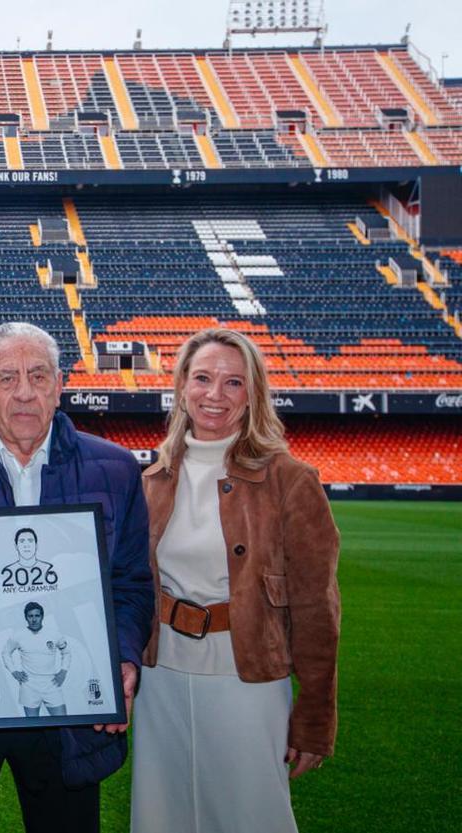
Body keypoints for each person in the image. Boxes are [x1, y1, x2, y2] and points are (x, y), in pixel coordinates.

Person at [0, 322, 153, 833]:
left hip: (67, 712)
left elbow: (131, 586)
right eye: (7, 377)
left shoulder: (116, 469)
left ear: (60, 386)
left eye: (38, 376)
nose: (24, 393)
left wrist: (122, 656)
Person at [131, 327, 341, 833]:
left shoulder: (290, 480)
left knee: (253, 817)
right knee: (164, 818)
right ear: (182, 385)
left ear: (253, 395)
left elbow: (318, 610)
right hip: (160, 679)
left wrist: (314, 717)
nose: (214, 395)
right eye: (202, 378)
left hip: (247, 677)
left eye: (233, 383)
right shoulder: (151, 480)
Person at [1, 602, 72, 717]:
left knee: (63, 723)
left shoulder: (54, 634)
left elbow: (67, 652)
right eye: (30, 616)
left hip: (51, 684)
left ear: (42, 617)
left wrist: (63, 671)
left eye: (37, 616)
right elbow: (5, 653)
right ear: (26, 618)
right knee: (32, 726)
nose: (34, 619)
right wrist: (14, 671)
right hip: (29, 686)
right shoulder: (18, 636)